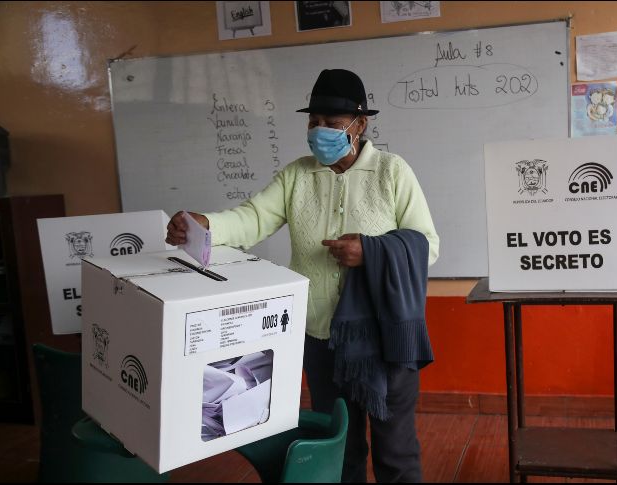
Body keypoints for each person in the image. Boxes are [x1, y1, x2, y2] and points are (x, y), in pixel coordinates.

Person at [165, 69, 439, 483]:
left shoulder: (392, 171)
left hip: (385, 340)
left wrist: (370, 251)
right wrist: (206, 224)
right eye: (314, 123)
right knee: (338, 445)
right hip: (320, 337)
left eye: (332, 123)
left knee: (395, 450)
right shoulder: (296, 175)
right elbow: (253, 219)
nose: (320, 131)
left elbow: (427, 245)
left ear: (359, 125)